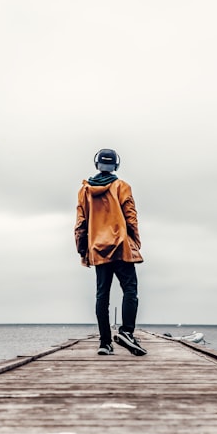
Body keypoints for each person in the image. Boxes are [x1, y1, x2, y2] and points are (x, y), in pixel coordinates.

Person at [74, 148, 146, 356]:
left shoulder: (85, 191)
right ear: (116, 165)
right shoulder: (122, 187)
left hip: (98, 247)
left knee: (101, 296)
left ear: (97, 164)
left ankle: (105, 343)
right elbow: (131, 217)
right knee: (130, 290)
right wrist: (135, 243)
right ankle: (126, 332)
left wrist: (82, 250)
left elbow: (81, 223)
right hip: (121, 246)